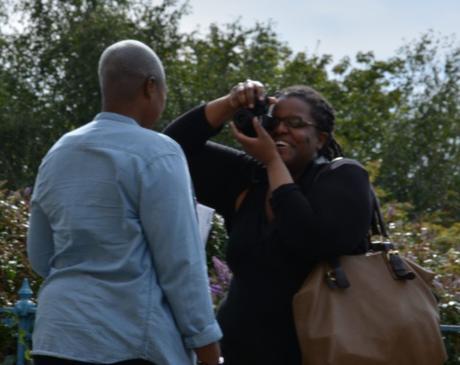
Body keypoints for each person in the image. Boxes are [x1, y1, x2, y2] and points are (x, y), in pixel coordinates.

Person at [27, 40, 222, 365]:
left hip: (57, 337)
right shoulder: (160, 152)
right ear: (151, 87)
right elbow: (181, 263)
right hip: (129, 342)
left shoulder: (59, 152)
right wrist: (207, 347)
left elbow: (40, 255)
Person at [163, 81, 373, 365]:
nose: (282, 129)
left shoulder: (345, 177)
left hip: (315, 354)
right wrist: (231, 102)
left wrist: (273, 161)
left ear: (321, 139)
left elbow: (309, 239)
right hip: (235, 351)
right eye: (275, 121)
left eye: (296, 123)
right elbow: (173, 149)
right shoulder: (249, 178)